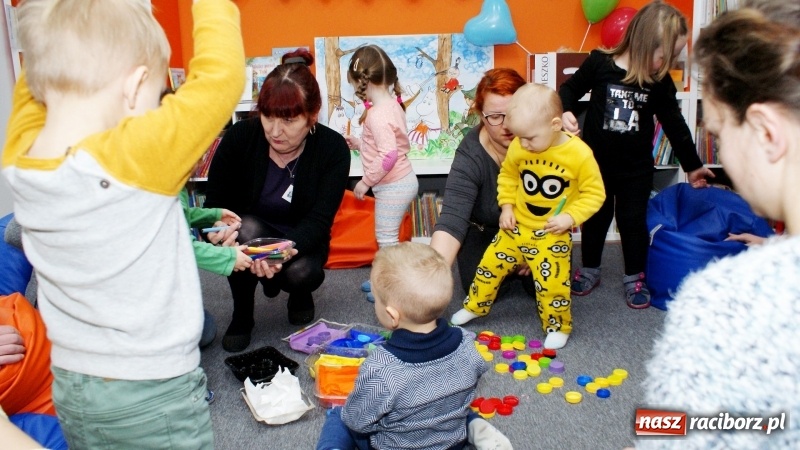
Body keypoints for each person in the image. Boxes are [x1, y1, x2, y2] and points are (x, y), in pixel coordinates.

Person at [0, 0, 248, 446]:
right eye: (156, 98)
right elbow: (224, 78)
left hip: (73, 386)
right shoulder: (135, 157)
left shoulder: (20, 156)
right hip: (151, 392)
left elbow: (36, 74)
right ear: (134, 86)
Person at [636, 1, 800, 448]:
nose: (722, 155)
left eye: (721, 133)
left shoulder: (720, 302)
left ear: (766, 133)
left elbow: (673, 432)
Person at [559, 0, 715, 309]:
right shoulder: (600, 63)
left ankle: (634, 276)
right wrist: (564, 112)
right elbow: (567, 90)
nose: (664, 63)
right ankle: (590, 269)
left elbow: (675, 123)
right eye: (663, 56)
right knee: (595, 219)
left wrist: (693, 166)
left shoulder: (658, 81)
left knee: (632, 222)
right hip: (595, 167)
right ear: (644, 43)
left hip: (636, 169)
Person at [204, 48, 351, 353]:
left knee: (304, 274)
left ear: (312, 115)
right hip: (251, 231)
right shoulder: (240, 138)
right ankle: (242, 313)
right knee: (243, 231)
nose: (274, 130)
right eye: (268, 117)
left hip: (301, 239)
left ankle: (298, 294)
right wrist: (220, 227)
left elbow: (319, 221)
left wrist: (276, 255)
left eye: (288, 120)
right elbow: (215, 202)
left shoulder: (333, 149)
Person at [450, 84, 605, 350]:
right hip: (516, 229)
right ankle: (476, 306)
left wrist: (570, 217)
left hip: (551, 233)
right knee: (488, 267)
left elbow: (595, 194)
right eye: (519, 137)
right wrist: (507, 207)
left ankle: (557, 325)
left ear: (555, 125)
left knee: (552, 284)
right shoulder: (521, 146)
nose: (522, 144)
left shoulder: (579, 154)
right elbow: (508, 176)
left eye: (530, 138)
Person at [316, 242, 512, 450]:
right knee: (453, 405)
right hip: (450, 441)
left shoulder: (381, 367)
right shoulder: (466, 341)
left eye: (377, 301)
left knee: (340, 415)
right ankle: (476, 428)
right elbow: (476, 372)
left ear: (392, 315)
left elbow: (357, 421)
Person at [430, 68, 536, 297]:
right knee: (478, 291)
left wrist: (531, 249)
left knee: (548, 288)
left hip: (538, 232)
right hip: (485, 232)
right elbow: (451, 221)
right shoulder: (471, 153)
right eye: (495, 117)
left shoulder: (545, 143)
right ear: (480, 115)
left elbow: (565, 203)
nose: (507, 126)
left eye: (513, 113)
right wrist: (429, 279)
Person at [344, 45, 418, 302]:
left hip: (393, 184)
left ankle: (389, 288)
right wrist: (360, 142)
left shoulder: (376, 114)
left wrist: (365, 182)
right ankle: (384, 277)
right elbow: (387, 145)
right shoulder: (392, 104)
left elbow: (388, 156)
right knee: (388, 237)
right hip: (401, 180)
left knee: (385, 238)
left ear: (359, 82)